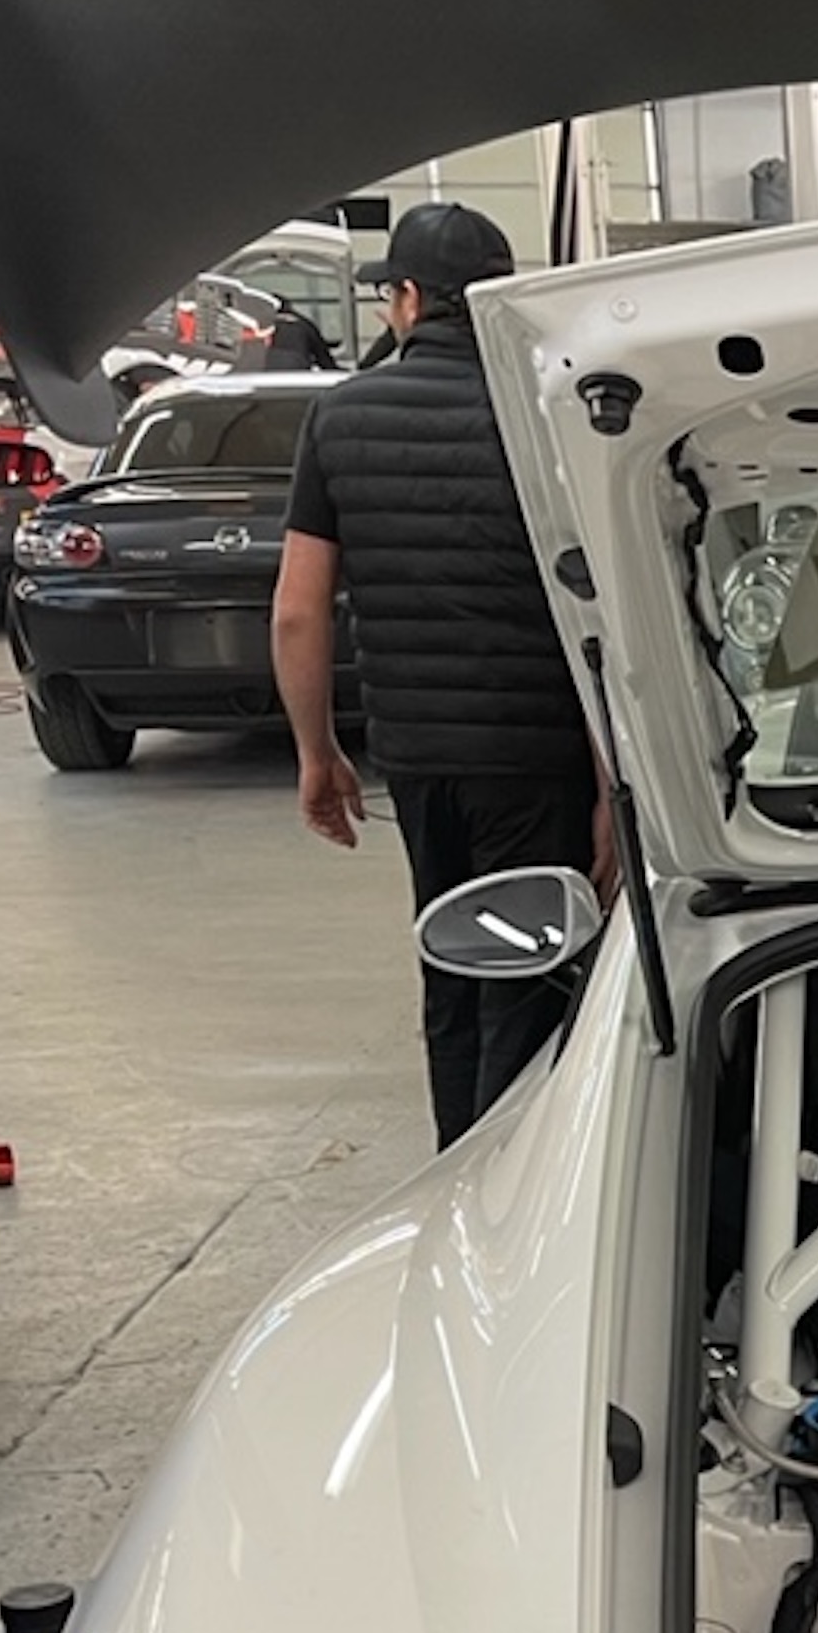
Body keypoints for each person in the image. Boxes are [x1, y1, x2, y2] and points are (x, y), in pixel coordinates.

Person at [270, 200, 614, 1149]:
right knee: (533, 974)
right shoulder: (552, 416)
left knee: (452, 966)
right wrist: (609, 785)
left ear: (412, 299)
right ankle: (513, 1182)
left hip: (419, 759)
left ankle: (456, 1169)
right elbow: (600, 610)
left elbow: (298, 610)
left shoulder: (339, 417)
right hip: (537, 758)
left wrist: (317, 753)